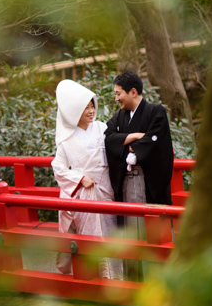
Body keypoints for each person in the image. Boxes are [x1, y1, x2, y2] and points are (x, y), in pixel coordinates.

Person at [104, 71, 174, 281]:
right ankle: (134, 281)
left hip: (145, 182)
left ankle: (155, 283)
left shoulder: (156, 112)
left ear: (133, 92)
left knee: (146, 232)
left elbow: (156, 143)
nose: (116, 99)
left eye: (119, 93)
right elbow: (108, 139)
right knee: (130, 233)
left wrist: (131, 150)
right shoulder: (119, 117)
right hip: (126, 182)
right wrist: (133, 137)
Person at [52, 80, 123, 280]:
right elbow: (58, 167)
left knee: (111, 235)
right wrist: (79, 178)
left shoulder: (102, 129)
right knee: (91, 240)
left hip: (106, 189)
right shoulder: (66, 140)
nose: (91, 110)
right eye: (85, 107)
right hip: (85, 195)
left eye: (92, 105)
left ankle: (116, 280)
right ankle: (93, 282)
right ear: (74, 111)